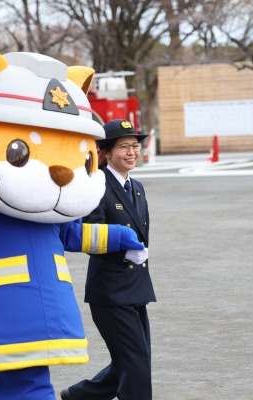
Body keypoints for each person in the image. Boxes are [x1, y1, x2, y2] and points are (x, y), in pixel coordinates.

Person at [61, 119, 156, 400]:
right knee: (136, 365)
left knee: (133, 362)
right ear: (105, 152)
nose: (132, 152)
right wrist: (120, 242)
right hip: (111, 291)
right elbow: (85, 234)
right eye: (124, 146)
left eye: (135, 145)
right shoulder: (96, 184)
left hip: (137, 286)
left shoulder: (136, 186)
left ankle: (78, 396)